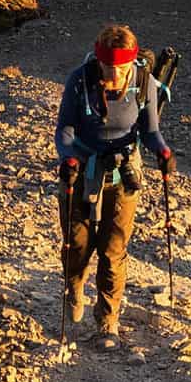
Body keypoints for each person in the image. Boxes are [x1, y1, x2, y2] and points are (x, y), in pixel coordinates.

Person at [54, 23, 175, 340]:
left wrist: (162, 151)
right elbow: (65, 129)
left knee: (113, 249)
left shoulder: (143, 80)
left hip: (123, 173)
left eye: (121, 69)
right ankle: (74, 284)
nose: (115, 76)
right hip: (81, 169)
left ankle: (107, 320)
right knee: (76, 245)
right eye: (109, 68)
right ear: (99, 61)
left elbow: (149, 131)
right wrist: (68, 157)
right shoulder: (79, 81)